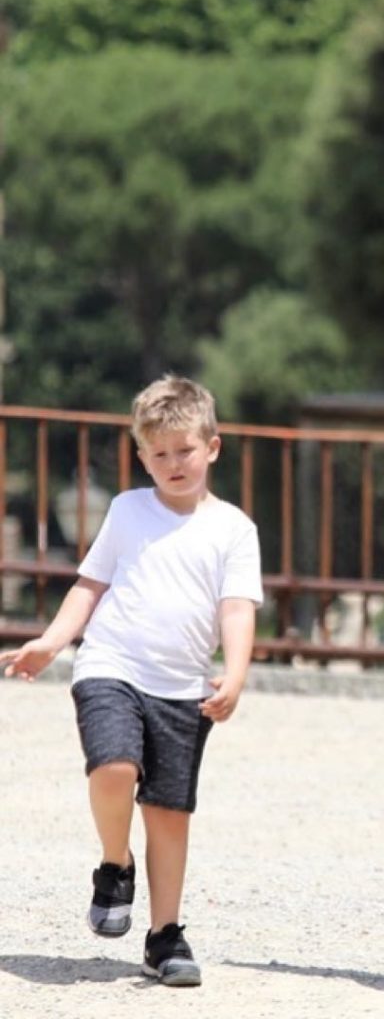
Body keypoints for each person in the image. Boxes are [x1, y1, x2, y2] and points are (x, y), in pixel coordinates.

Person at [0, 376, 263, 988]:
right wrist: (52, 642)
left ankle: (164, 936)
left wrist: (236, 673)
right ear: (142, 456)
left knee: (169, 813)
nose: (173, 463)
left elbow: (236, 609)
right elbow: (90, 584)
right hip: (110, 664)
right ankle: (115, 863)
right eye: (159, 453)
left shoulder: (233, 529)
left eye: (185, 450)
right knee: (114, 767)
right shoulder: (126, 510)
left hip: (183, 688)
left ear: (212, 447)